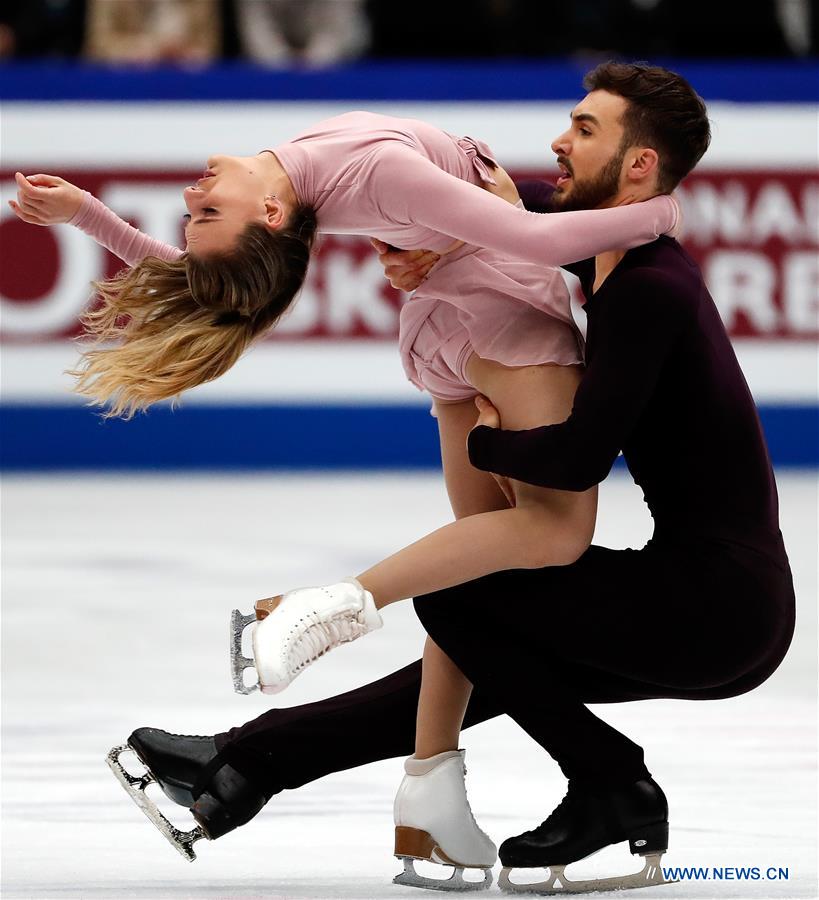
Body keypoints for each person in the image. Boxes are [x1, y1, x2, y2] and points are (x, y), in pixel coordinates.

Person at [89, 61, 793, 894]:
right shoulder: (602, 255)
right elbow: (497, 211)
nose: (558, 144)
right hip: (710, 602)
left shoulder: (650, 287)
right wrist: (433, 247)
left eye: (585, 130)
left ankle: (612, 782)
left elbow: (572, 460)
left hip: (719, 605)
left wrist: (488, 441)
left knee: (465, 598)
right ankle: (245, 767)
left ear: (638, 167)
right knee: (484, 635)